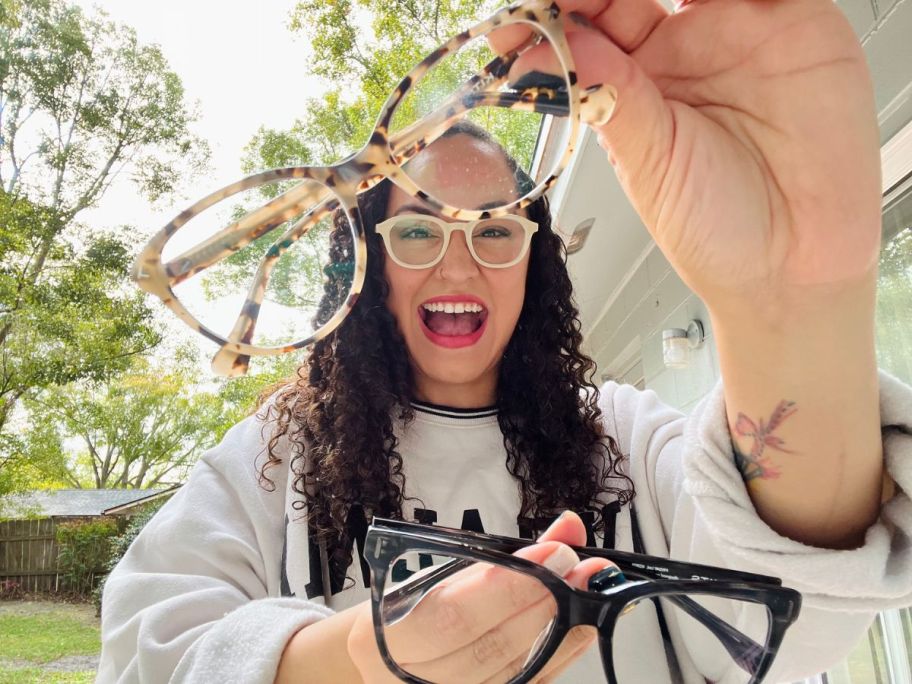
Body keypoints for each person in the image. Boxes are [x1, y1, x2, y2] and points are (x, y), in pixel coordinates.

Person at [97, 0, 912, 682]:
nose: (458, 263)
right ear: (370, 266)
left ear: (535, 263)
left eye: (494, 231)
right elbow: (145, 648)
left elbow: (799, 613)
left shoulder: (627, 441)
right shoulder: (276, 459)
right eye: (417, 233)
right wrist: (354, 660)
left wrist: (792, 306)